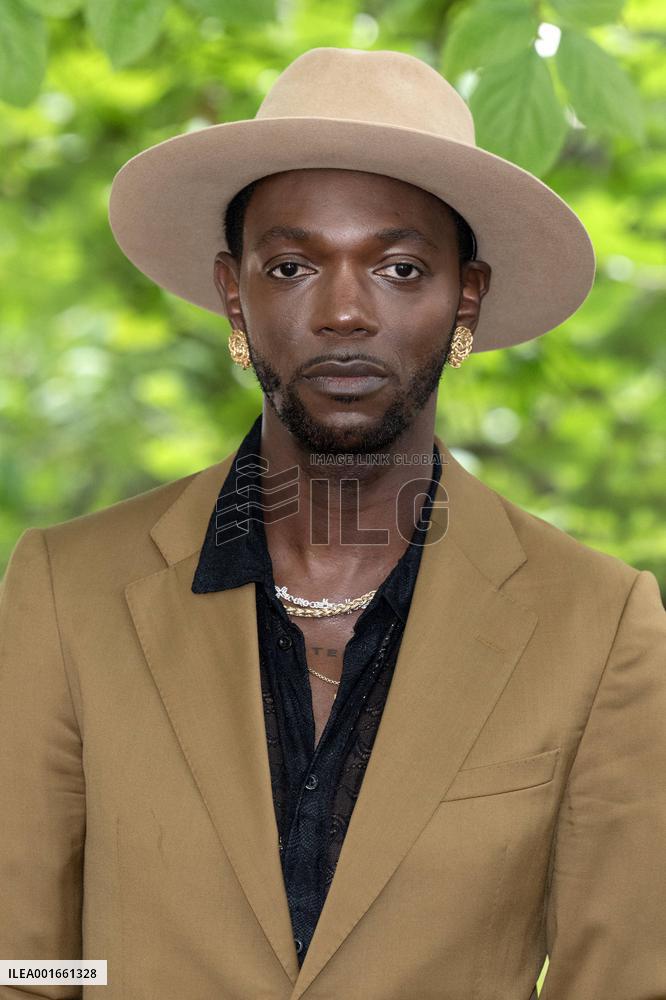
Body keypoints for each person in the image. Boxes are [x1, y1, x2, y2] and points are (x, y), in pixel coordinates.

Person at [0, 46, 664, 1000]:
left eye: (399, 267)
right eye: (292, 265)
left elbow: (622, 982)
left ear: (465, 297)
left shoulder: (598, 624)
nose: (345, 312)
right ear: (234, 293)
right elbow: (24, 963)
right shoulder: (69, 590)